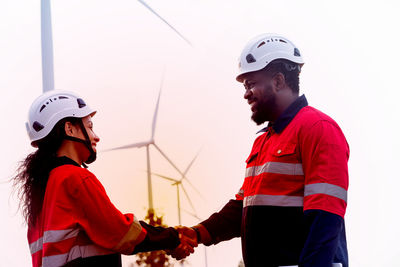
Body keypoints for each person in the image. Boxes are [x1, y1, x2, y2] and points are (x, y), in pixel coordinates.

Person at [170, 34, 349, 267]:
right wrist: (198, 232)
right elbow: (242, 208)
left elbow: (325, 218)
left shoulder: (318, 128)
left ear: (278, 81)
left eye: (251, 84)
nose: (245, 94)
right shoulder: (264, 139)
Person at [13, 90, 196, 267]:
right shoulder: (74, 178)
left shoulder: (43, 191)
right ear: (69, 128)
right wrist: (173, 237)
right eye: (90, 127)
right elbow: (120, 232)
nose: (96, 137)